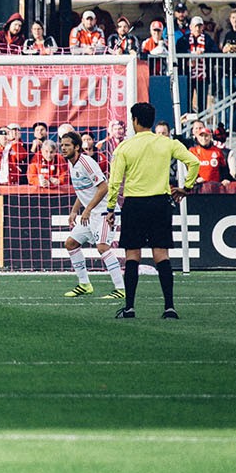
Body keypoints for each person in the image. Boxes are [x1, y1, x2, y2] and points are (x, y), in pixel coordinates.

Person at [105, 101, 200, 319]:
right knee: (161, 255)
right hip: (160, 203)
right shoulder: (166, 143)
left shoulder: (124, 147)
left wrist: (110, 207)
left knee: (132, 255)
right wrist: (186, 187)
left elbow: (114, 181)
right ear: (152, 121)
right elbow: (193, 162)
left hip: (135, 204)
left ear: (135, 121)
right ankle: (169, 307)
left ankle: (129, 307)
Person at [58, 132, 127, 299]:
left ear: (76, 147)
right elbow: (83, 191)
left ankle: (121, 289)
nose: (63, 148)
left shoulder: (86, 163)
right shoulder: (71, 164)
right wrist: (75, 210)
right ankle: (84, 284)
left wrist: (87, 210)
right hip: (91, 212)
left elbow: (104, 187)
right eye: (62, 145)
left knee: (102, 246)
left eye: (67, 145)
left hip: (104, 212)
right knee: (71, 243)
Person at [187, 124, 232, 190]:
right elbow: (188, 169)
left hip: (215, 188)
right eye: (201, 136)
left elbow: (224, 169)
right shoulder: (193, 151)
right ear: (197, 137)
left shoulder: (217, 151)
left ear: (210, 136)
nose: (204, 138)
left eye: (206, 136)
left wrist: (225, 179)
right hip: (198, 187)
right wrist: (195, 179)